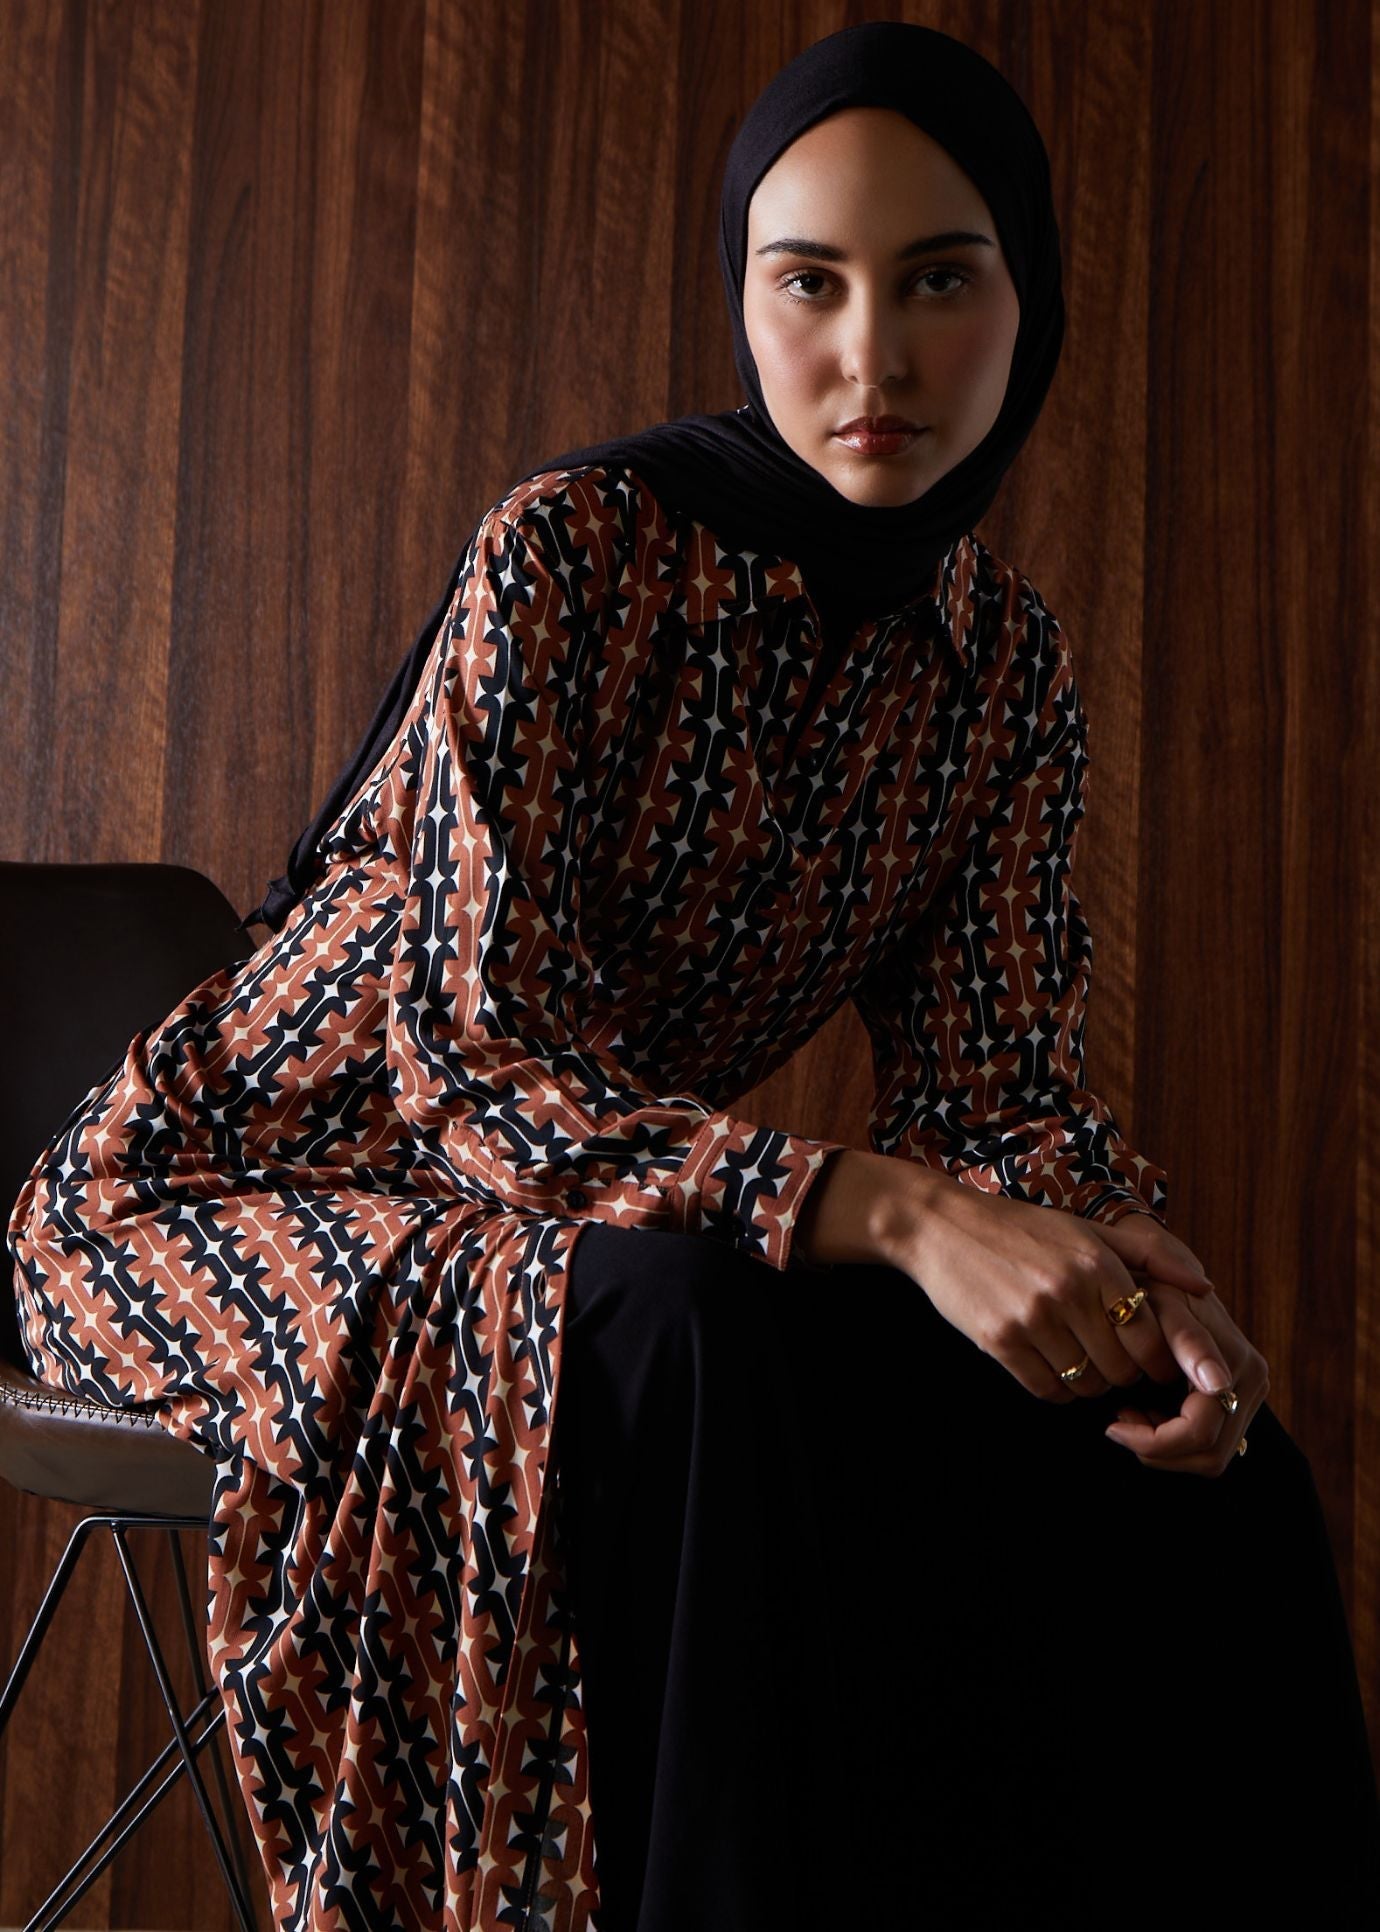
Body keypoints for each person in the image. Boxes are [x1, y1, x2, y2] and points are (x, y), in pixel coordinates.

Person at [6, 19, 1378, 1930]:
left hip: (568, 1224)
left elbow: (995, 1090)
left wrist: (1146, 1274)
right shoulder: (576, 553)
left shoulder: (1003, 671)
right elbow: (475, 1064)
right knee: (694, 1337)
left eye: (942, 281)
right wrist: (898, 1214)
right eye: (808, 282)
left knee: (1178, 1445)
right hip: (210, 1202)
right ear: (743, 297)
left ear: (1031, 304)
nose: (873, 355)